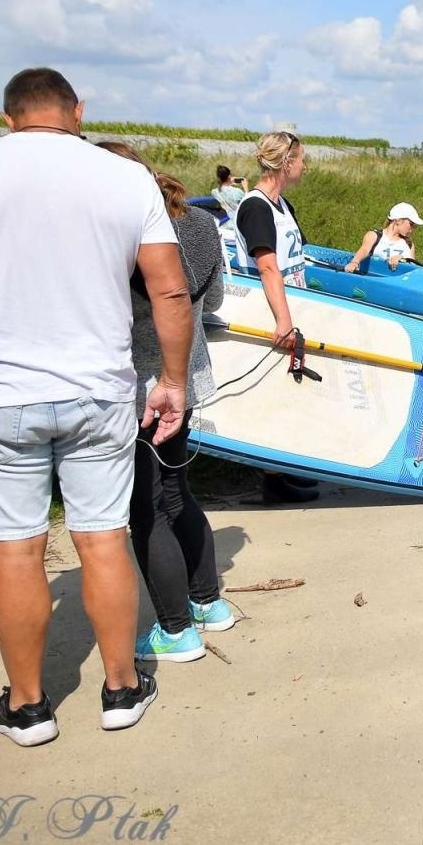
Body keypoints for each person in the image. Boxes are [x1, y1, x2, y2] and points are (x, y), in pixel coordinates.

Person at [0, 67, 189, 745]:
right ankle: (121, 690)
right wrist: (172, 380)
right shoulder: (124, 178)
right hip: (96, 389)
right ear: (76, 112)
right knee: (102, 539)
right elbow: (169, 292)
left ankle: (29, 708)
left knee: (15, 551)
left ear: (7, 118)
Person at [96, 144, 235, 664]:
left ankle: (176, 631)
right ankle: (208, 604)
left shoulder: (115, 238)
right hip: (188, 378)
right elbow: (214, 302)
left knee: (146, 509)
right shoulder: (200, 224)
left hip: (138, 388)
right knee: (177, 492)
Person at [231, 124, 319, 504]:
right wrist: (283, 320)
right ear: (286, 162)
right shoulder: (255, 207)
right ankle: (270, 480)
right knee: (272, 392)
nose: (304, 166)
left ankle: (282, 471)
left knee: (290, 389)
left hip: (292, 301)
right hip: (269, 309)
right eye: (301, 159)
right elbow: (267, 266)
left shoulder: (284, 205)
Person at [346, 202, 423, 274]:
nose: (411, 229)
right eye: (411, 224)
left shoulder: (409, 244)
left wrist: (402, 259)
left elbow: (413, 269)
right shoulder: (374, 236)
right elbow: (364, 250)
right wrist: (355, 262)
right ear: (398, 220)